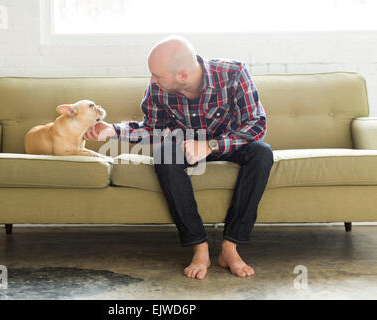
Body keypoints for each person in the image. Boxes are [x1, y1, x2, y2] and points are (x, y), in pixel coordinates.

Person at [83, 35, 274, 280]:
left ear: (183, 75)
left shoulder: (234, 73)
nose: (152, 80)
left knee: (262, 152)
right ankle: (200, 247)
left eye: (157, 75)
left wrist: (211, 145)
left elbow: (256, 124)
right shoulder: (157, 89)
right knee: (164, 154)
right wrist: (114, 130)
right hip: (186, 147)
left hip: (228, 144)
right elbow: (152, 128)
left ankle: (230, 248)